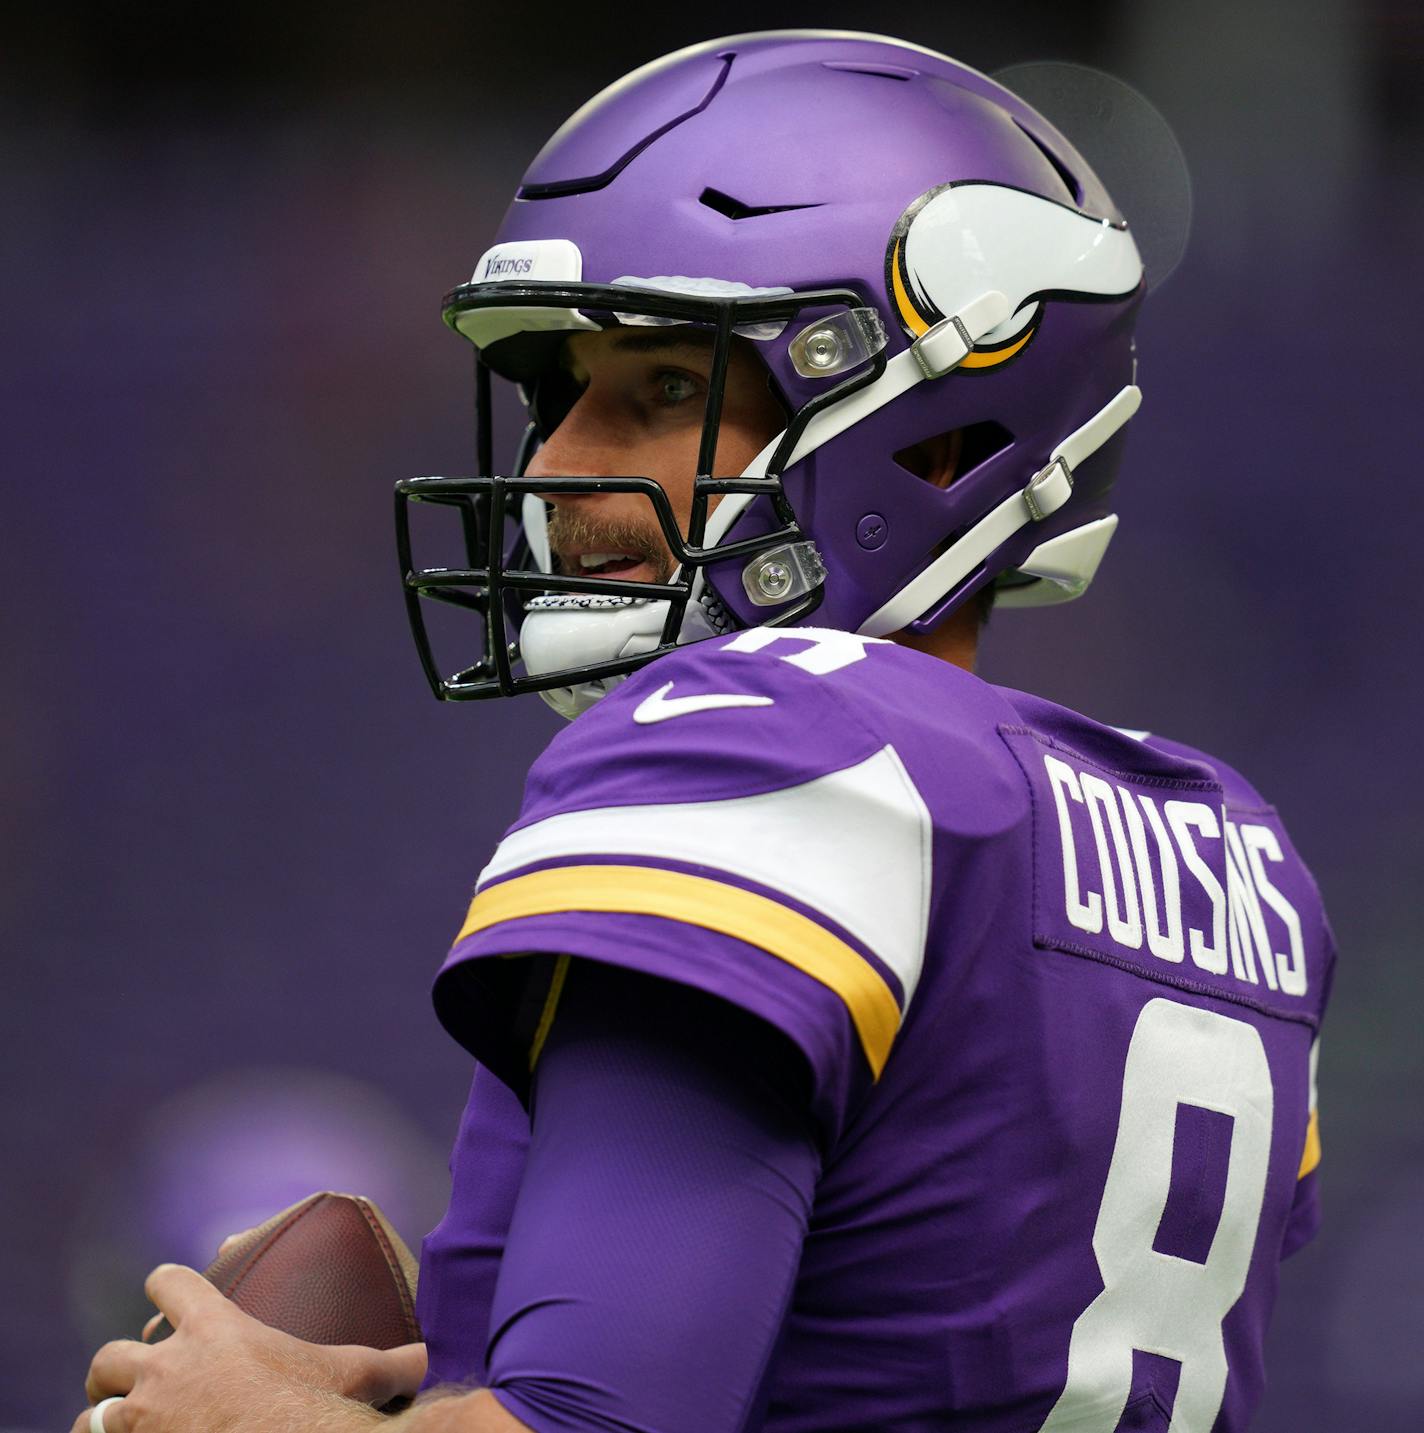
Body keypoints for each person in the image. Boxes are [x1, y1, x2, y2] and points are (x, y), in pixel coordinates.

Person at [77, 29, 1334, 1433]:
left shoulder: (761, 741)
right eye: (560, 395)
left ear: (931, 432)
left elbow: (600, 1424)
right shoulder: (1232, 852)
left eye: (662, 389)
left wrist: (252, 1418)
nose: (556, 468)